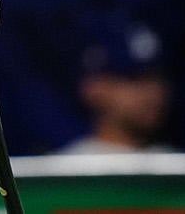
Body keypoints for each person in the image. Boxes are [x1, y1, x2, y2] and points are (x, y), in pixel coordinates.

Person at [57, 18, 173, 154]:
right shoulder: (66, 168)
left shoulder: (181, 165)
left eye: (157, 78)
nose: (154, 92)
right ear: (94, 87)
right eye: (134, 79)